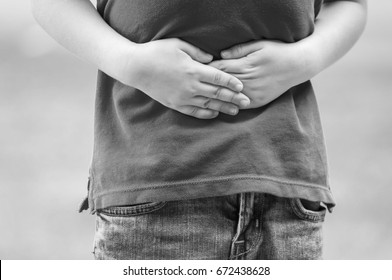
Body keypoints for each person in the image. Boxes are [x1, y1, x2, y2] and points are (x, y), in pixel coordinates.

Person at [31, 0, 367, 259]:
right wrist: (131, 63)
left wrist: (305, 59)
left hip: (286, 187)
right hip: (156, 186)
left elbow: (350, 4)